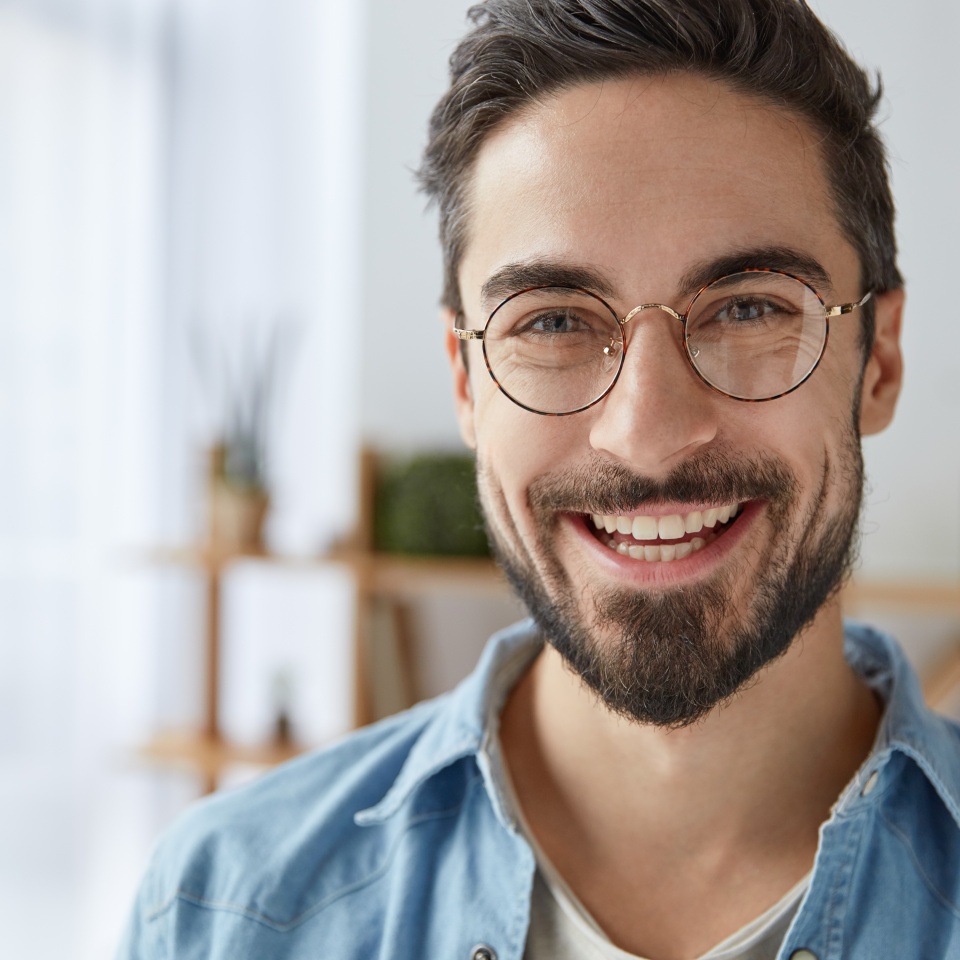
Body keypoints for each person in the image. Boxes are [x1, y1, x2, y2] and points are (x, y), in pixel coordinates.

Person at [118, 2, 960, 958]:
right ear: (466, 379)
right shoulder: (224, 912)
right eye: (554, 321)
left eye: (749, 307)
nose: (647, 434)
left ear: (878, 356)